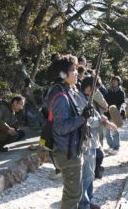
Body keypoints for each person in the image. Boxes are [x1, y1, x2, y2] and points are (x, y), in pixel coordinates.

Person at [44, 54, 88, 209]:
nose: (77, 73)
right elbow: (61, 127)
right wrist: (82, 119)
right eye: (73, 70)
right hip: (66, 151)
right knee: (73, 194)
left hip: (70, 149)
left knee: (74, 192)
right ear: (63, 74)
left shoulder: (65, 90)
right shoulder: (61, 96)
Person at [77, 76, 117, 209]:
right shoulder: (80, 99)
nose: (96, 91)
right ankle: (84, 204)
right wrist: (101, 121)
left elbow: (96, 117)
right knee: (86, 175)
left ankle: (89, 199)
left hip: (93, 141)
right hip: (86, 141)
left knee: (91, 173)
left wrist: (104, 120)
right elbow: (87, 120)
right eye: (96, 88)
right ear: (88, 87)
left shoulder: (89, 99)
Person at [104, 75, 125, 153]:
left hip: (115, 113)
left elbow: (122, 103)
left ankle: (116, 147)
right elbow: (105, 101)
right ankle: (111, 146)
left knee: (115, 131)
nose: (113, 83)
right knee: (106, 132)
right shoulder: (108, 91)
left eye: (115, 81)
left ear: (118, 82)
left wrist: (119, 111)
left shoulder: (121, 92)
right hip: (107, 113)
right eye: (112, 81)